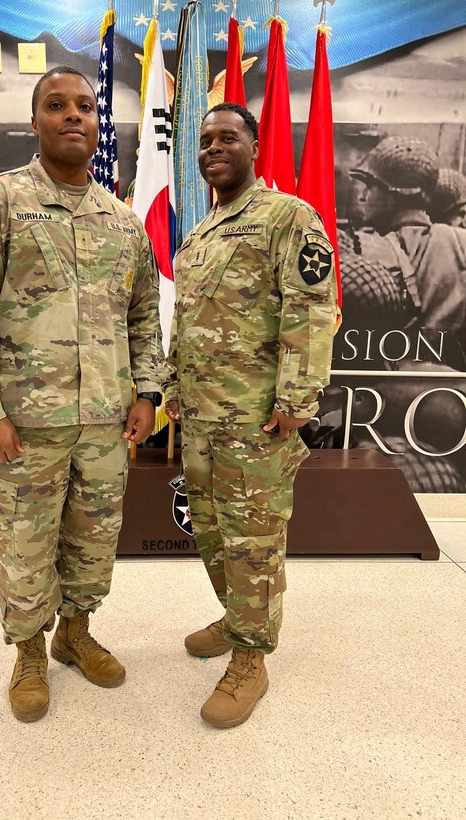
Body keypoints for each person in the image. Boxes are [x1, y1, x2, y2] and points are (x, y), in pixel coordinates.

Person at [0, 66, 164, 722]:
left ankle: (75, 631)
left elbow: (144, 316)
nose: (73, 115)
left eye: (85, 107)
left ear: (98, 126)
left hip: (102, 426)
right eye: (56, 106)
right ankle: (29, 650)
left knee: (93, 540)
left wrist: (146, 392)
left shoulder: (123, 223)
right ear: (33, 122)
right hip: (22, 427)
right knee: (24, 542)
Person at [164, 103, 336, 728]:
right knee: (210, 534)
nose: (214, 147)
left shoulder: (286, 218)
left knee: (254, 543)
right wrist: (176, 389)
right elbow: (186, 321)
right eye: (205, 140)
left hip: (256, 421)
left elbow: (312, 309)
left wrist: (296, 403)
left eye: (228, 137)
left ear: (255, 146)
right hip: (203, 421)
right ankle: (238, 617)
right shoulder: (201, 234)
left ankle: (251, 659)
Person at [350, 136, 466, 367]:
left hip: (378, 389)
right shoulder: (460, 243)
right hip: (451, 389)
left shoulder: (362, 247)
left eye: (371, 186)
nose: (363, 197)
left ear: (394, 192)